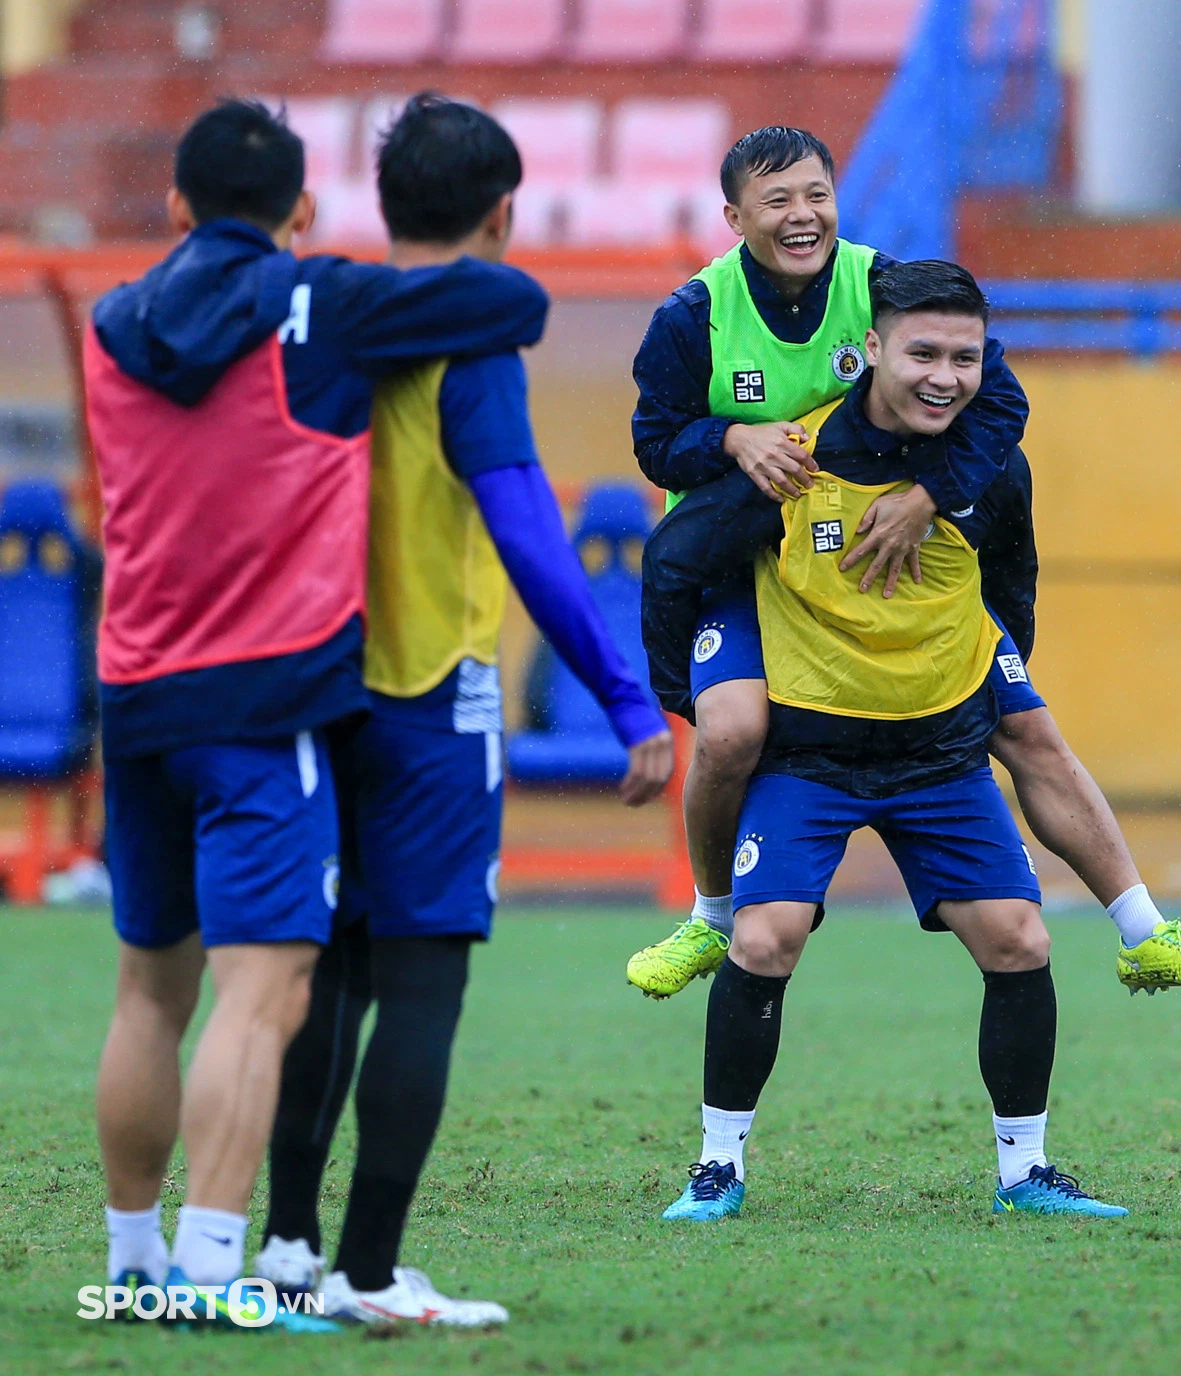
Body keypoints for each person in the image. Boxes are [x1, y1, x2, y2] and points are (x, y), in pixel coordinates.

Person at [85, 99, 546, 1325]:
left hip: (131, 692)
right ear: (298, 211)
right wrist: (331, 276)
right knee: (263, 988)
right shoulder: (319, 307)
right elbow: (512, 307)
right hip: (266, 694)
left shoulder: (105, 324)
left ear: (174, 207)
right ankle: (209, 1270)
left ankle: (129, 1262)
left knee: (148, 991)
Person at [624, 126, 1181, 999]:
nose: (803, 217)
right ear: (733, 217)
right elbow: (654, 444)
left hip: (885, 537)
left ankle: (1145, 930)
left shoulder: (881, 287)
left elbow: (999, 397)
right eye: (777, 202)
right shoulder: (693, 316)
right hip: (747, 550)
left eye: (817, 196)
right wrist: (730, 437)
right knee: (730, 731)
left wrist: (932, 496)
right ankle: (710, 917)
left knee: (1026, 728)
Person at [243, 96, 676, 1327]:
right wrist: (624, 693)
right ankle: (371, 1272)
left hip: (318, 682)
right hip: (433, 693)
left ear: (382, 209)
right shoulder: (471, 337)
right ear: (501, 212)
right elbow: (530, 534)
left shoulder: (325, 319)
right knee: (420, 976)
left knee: (328, 972)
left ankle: (284, 1244)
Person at [645, 261, 1126, 1220]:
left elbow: (1012, 577)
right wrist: (680, 693)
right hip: (812, 756)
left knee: (1021, 940)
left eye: (965, 356)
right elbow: (673, 545)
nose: (945, 374)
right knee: (765, 935)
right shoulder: (794, 454)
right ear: (870, 352)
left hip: (933, 757)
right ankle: (718, 1162)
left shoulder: (992, 464)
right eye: (924, 353)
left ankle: (1026, 1171)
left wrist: (998, 660)